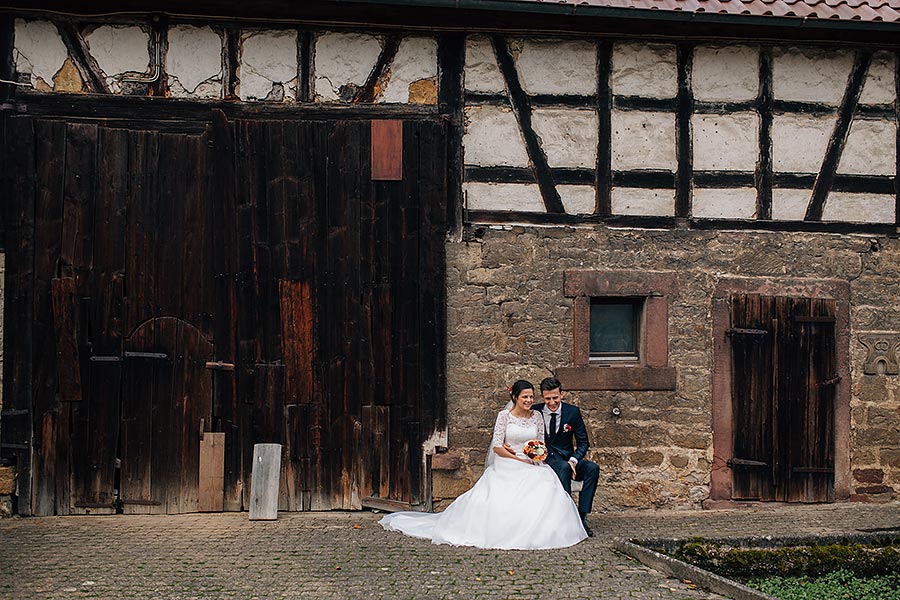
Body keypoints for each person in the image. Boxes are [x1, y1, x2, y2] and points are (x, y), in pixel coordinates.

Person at [379, 380, 587, 549]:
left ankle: (547, 531)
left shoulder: (538, 417)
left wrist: (536, 456)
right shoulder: (504, 417)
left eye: (531, 397)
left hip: (533, 463)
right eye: (525, 396)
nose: (529, 400)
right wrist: (517, 458)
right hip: (508, 462)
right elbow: (497, 446)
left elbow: (541, 443)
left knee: (547, 488)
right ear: (515, 397)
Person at [532, 377, 600, 537]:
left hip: (569, 459)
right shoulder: (535, 412)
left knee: (592, 468)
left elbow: (583, 442)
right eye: (547, 398)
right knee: (563, 468)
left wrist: (573, 460)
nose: (552, 402)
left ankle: (582, 516)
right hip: (547, 461)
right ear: (543, 397)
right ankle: (566, 516)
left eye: (555, 398)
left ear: (561, 394)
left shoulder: (572, 412)